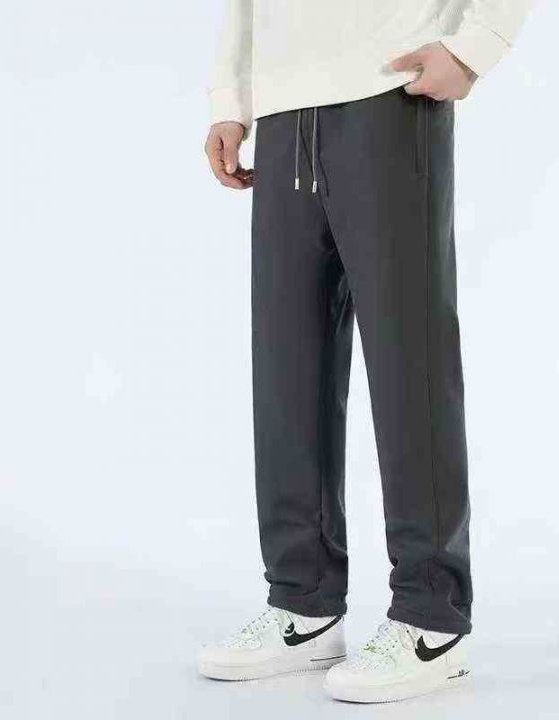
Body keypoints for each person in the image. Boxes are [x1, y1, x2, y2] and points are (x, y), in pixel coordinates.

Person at [198, 0, 532, 703]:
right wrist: (231, 99)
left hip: (390, 89)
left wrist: (474, 45)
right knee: (287, 365)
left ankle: (432, 616)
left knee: (409, 357)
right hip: (284, 109)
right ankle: (304, 603)